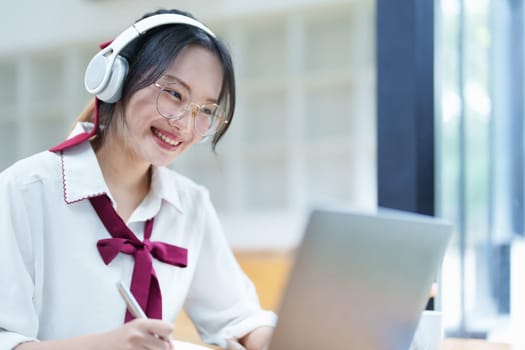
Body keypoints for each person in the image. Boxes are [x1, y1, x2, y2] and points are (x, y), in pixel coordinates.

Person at [0, 8, 276, 350]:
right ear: (117, 78)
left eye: (205, 110)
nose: (185, 125)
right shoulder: (25, 191)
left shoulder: (189, 205)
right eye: (174, 94)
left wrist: (271, 340)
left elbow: (238, 317)